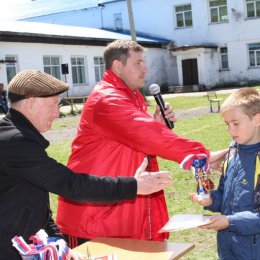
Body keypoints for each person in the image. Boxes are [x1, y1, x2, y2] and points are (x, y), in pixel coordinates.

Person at [56, 39, 227, 247]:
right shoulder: (107, 99)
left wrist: (155, 124)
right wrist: (199, 156)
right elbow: (144, 133)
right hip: (95, 217)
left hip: (117, 209)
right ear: (118, 66)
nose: (145, 70)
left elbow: (137, 138)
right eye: (138, 63)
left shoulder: (130, 97)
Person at [0, 69, 173, 259]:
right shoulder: (15, 141)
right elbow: (69, 184)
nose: (57, 113)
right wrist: (134, 186)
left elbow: (38, 209)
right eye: (53, 105)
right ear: (31, 102)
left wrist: (63, 248)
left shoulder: (18, 137)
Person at [191, 88, 260, 259]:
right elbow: (225, 194)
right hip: (228, 249)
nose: (230, 130)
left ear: (257, 119)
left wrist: (230, 221)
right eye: (227, 124)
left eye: (235, 123)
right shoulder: (232, 153)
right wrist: (211, 199)